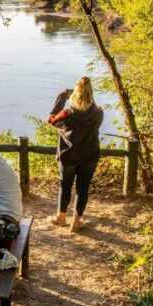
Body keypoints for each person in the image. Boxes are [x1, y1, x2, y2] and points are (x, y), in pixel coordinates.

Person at [46, 77, 104, 232]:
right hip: (89, 155)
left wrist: (62, 98)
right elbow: (93, 111)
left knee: (65, 187)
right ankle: (76, 222)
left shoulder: (66, 114)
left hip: (68, 156)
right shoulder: (98, 113)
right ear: (91, 94)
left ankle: (61, 217)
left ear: (74, 94)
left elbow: (51, 119)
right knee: (82, 189)